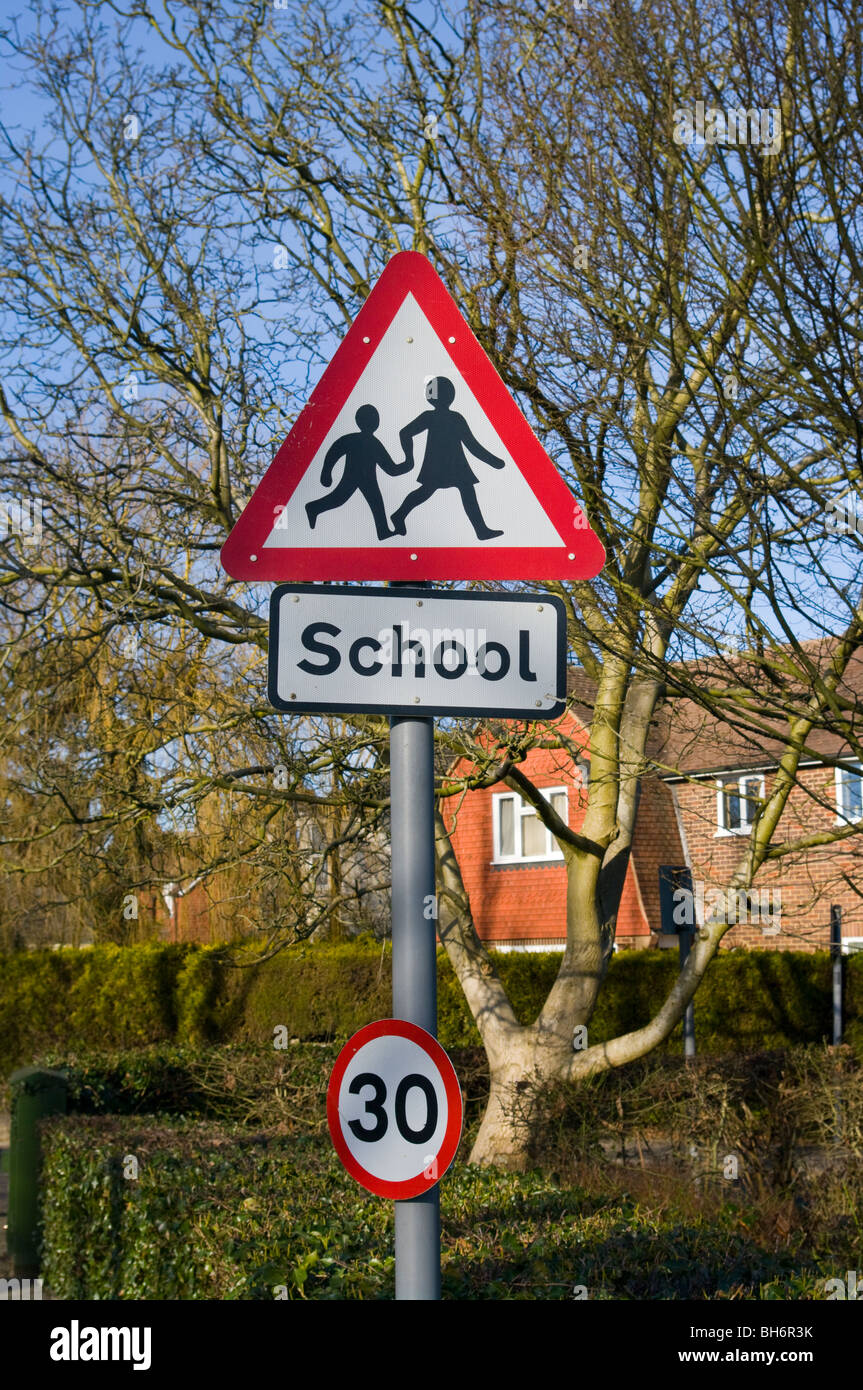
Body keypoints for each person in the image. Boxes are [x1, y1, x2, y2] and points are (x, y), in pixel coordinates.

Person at [389, 376, 506, 540]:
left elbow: (472, 445)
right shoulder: (433, 417)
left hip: (455, 464)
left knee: (461, 490)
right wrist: (409, 458)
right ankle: (399, 515)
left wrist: (494, 461)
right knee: (428, 491)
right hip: (440, 464)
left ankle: (481, 530)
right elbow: (405, 433)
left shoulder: (454, 418)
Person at [305, 404, 409, 540]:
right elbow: (334, 452)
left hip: (366, 479)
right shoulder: (368, 441)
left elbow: (390, 468)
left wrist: (407, 465)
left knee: (369, 501)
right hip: (355, 477)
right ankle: (313, 508)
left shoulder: (365, 441)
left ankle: (383, 530)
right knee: (344, 499)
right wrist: (326, 473)